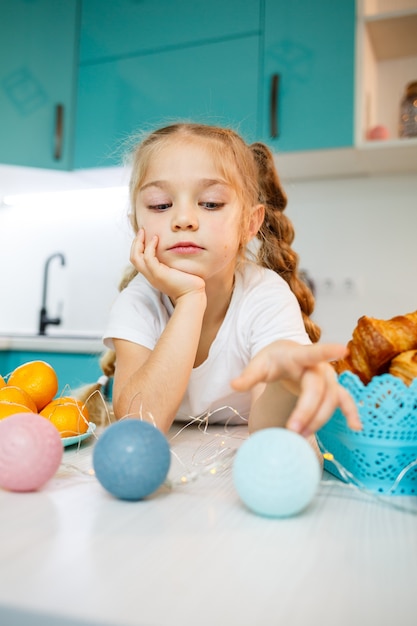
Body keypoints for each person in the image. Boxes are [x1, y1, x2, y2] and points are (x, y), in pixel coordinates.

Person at [102, 123, 360, 439]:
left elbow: (270, 433)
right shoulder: (138, 300)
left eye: (210, 203)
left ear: (249, 224)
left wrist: (284, 381)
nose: (183, 219)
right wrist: (190, 299)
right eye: (160, 205)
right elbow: (137, 426)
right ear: (137, 223)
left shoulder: (264, 296)